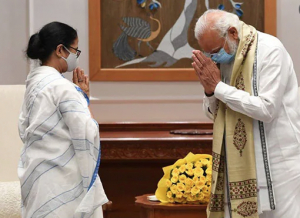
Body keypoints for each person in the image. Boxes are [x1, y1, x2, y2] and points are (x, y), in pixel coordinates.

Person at [192, 9, 300, 218]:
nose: (213, 57)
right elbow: (214, 113)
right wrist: (209, 90)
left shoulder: (270, 50)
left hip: (278, 163)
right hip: (239, 165)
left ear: (232, 33)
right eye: (208, 54)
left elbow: (267, 109)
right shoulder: (224, 58)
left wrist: (218, 88)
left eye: (214, 51)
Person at [18, 21, 108, 218]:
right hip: (61, 184)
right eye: (75, 49)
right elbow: (87, 132)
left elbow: (23, 129)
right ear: (61, 50)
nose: (76, 55)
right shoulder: (63, 87)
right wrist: (83, 98)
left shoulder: (34, 84)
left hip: (37, 178)